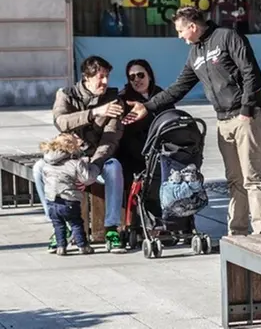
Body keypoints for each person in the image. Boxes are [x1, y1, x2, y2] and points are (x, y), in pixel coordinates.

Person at [123, 6, 261, 236]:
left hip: (246, 116)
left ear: (192, 27)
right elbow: (179, 87)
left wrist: (247, 108)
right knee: (234, 179)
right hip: (223, 119)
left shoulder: (227, 37)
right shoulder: (195, 54)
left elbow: (251, 72)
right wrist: (148, 106)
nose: (179, 36)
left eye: (180, 30)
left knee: (252, 176)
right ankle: (238, 231)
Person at [33, 55, 126, 253]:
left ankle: (112, 228)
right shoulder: (66, 95)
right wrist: (95, 113)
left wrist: (91, 170)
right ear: (86, 77)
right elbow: (61, 122)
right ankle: (58, 225)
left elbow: (110, 140)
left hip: (96, 161)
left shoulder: (114, 100)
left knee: (114, 167)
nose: (105, 81)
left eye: (107, 76)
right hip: (68, 161)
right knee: (39, 168)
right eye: (100, 77)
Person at [39, 133, 100, 256]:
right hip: (68, 199)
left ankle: (61, 247)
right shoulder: (75, 163)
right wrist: (95, 167)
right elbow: (87, 179)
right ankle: (82, 246)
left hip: (51, 199)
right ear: (72, 147)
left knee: (58, 224)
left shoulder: (47, 161)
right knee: (76, 223)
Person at [117, 59, 171, 185]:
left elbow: (170, 117)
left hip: (162, 148)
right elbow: (126, 133)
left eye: (140, 75)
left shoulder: (160, 94)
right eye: (132, 77)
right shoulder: (124, 98)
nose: (136, 80)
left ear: (149, 76)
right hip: (136, 154)